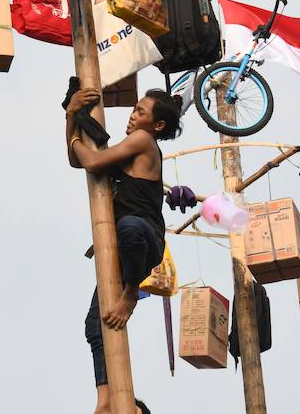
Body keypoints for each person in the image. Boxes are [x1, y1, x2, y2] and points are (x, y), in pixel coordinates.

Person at [66, 87, 183, 414]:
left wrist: (76, 129)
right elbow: (78, 161)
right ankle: (104, 401)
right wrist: (70, 117)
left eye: (141, 112)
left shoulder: (145, 141)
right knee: (95, 324)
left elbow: (91, 161)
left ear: (156, 125)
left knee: (129, 226)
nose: (133, 115)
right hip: (121, 249)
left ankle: (132, 293)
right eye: (134, 109)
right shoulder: (129, 146)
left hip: (145, 239)